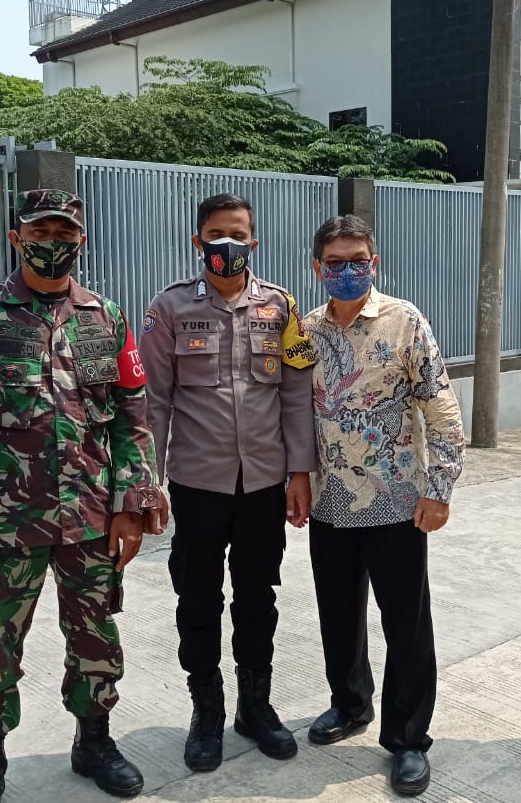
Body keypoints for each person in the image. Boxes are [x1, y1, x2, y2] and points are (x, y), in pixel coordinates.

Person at [0, 188, 168, 803]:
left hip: (90, 516)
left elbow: (129, 418)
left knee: (96, 636)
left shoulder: (104, 317)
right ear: (17, 238)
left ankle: (94, 742)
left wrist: (130, 506)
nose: (54, 244)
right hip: (6, 523)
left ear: (81, 240)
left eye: (66, 234)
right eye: (42, 232)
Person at [138, 193, 317, 773]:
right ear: (199, 242)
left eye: (238, 234)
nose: (227, 245)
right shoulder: (169, 309)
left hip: (264, 481)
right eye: (216, 234)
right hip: (197, 481)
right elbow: (154, 401)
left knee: (257, 596)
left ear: (254, 241)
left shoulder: (281, 307)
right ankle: (207, 712)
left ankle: (255, 708)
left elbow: (295, 395)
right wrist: (149, 480)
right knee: (197, 598)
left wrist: (299, 472)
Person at [301, 215, 465, 797]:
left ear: (375, 262)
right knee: (337, 616)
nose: (348, 271)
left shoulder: (405, 320)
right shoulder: (304, 330)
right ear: (317, 266)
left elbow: (441, 408)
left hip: (398, 503)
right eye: (336, 262)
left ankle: (408, 738)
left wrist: (438, 488)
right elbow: (292, 410)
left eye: (359, 261)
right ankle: (348, 704)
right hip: (329, 501)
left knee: (407, 625)